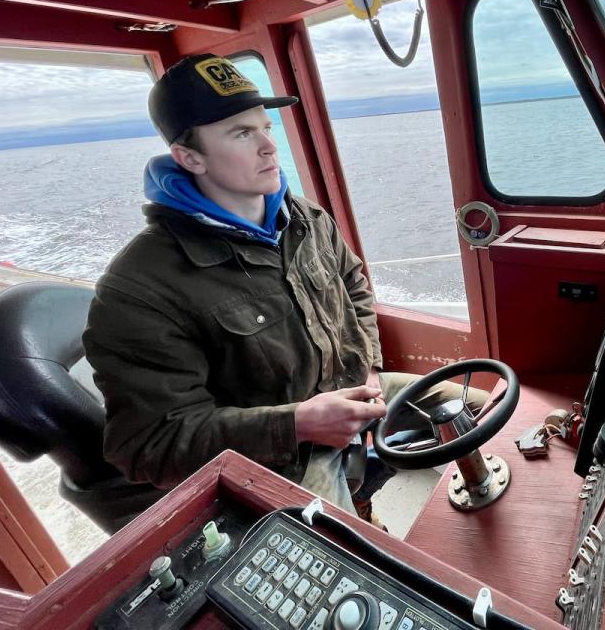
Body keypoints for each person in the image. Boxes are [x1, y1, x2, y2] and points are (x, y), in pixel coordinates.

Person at [82, 54, 484, 523]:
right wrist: (296, 424)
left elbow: (353, 285)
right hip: (283, 454)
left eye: (265, 128)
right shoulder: (139, 289)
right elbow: (149, 445)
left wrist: (370, 367)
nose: (269, 148)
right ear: (188, 157)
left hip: (359, 390)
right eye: (241, 133)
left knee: (483, 415)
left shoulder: (304, 219)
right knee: (345, 560)